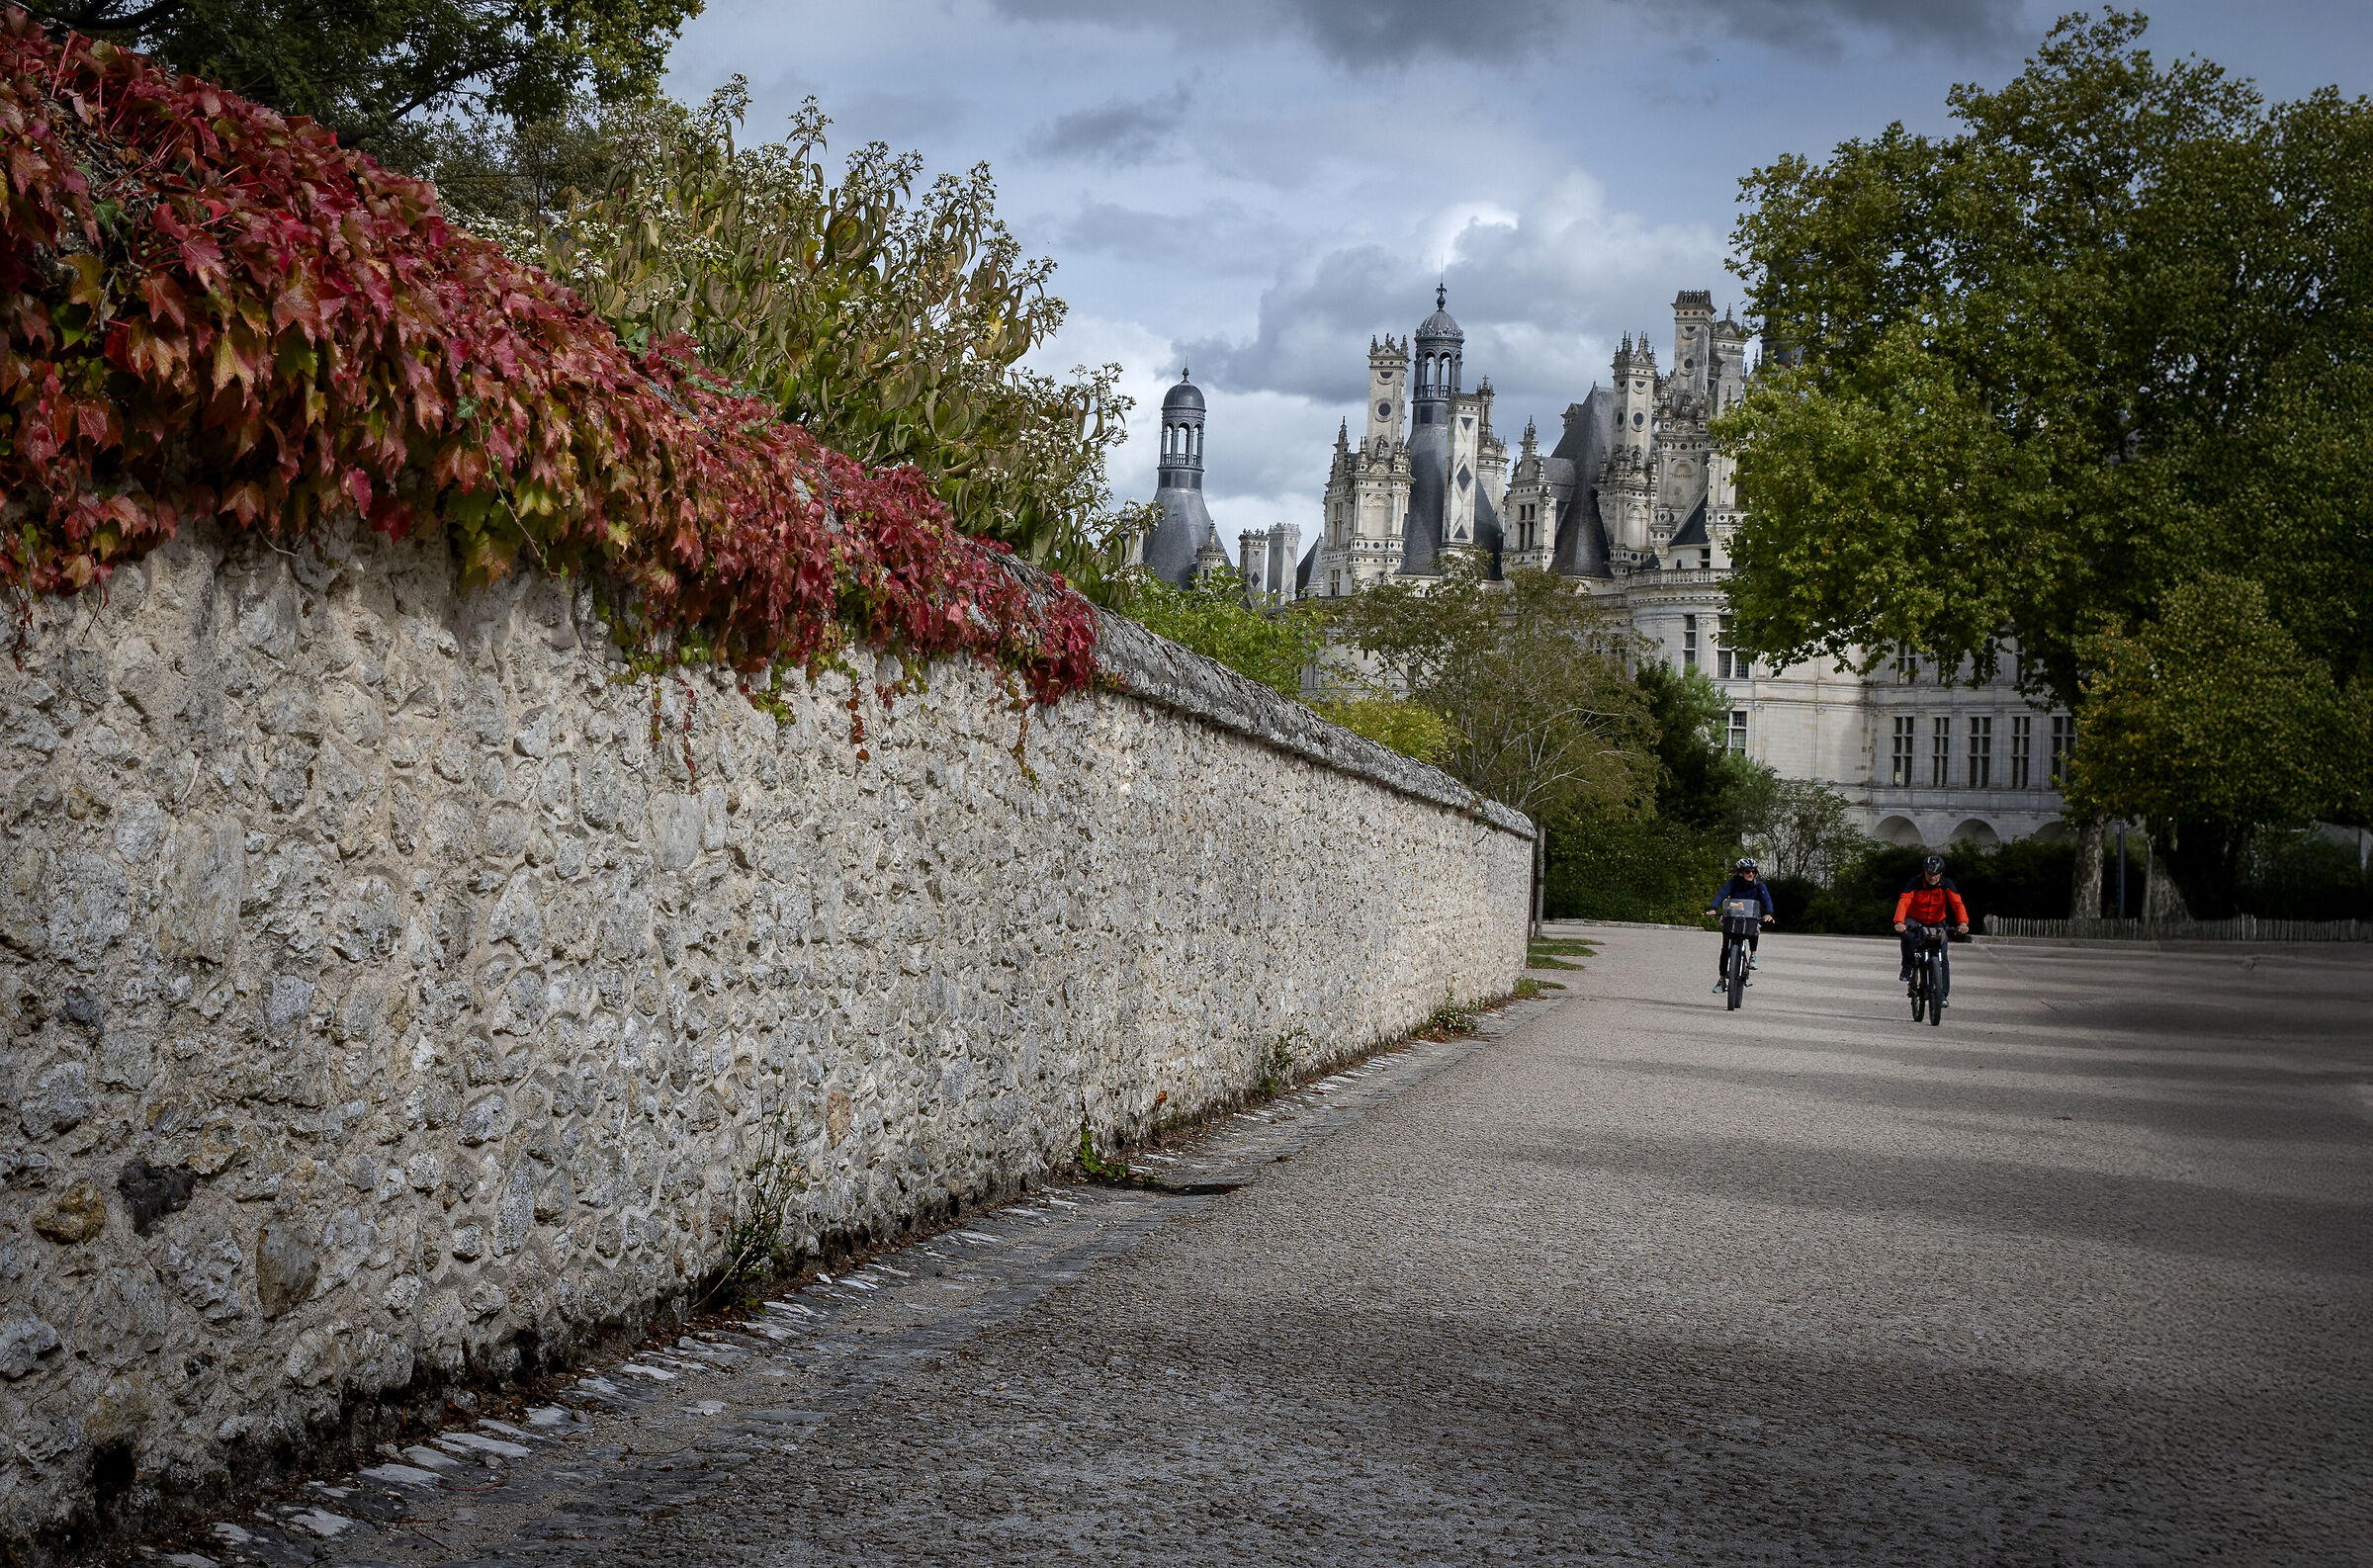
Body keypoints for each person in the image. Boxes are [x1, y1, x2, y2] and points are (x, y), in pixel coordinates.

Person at [1893, 854, 1972, 1003]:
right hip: (1914, 918)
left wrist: (1962, 923)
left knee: (1943, 956)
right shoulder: (1915, 882)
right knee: (1908, 936)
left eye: (1936, 874)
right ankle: (1907, 967)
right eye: (1929, 874)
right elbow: (1904, 901)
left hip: (1936, 921)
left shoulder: (1946, 884)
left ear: (1941, 873)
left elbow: (1957, 903)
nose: (1932, 877)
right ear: (1925, 872)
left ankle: (1942, 995)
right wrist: (1899, 921)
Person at [1705, 857, 1776, 992]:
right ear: (1740, 872)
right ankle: (1721, 979)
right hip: (1733, 917)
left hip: (1750, 917)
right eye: (1747, 871)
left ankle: (1753, 954)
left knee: (1755, 927)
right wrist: (1713, 908)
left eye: (1753, 872)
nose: (1751, 874)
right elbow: (1721, 895)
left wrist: (1769, 913)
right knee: (1725, 948)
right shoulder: (1732, 883)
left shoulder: (1759, 885)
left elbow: (1766, 899)